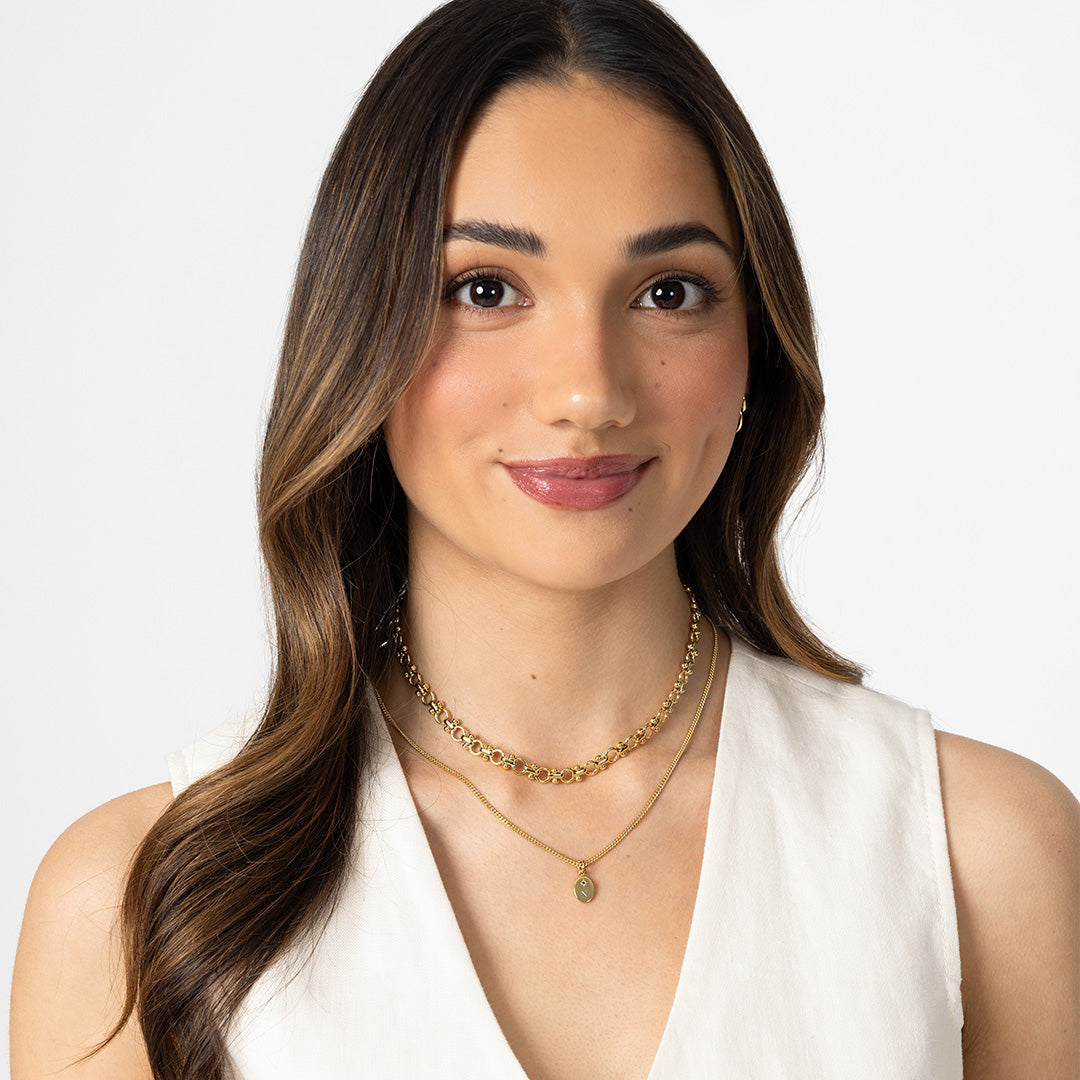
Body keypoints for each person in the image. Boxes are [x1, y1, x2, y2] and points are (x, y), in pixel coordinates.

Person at [11, 0, 1078, 1076]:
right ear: (357, 342)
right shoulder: (137, 905)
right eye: (485, 289)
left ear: (756, 347)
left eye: (669, 292)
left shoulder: (980, 858)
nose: (587, 390)